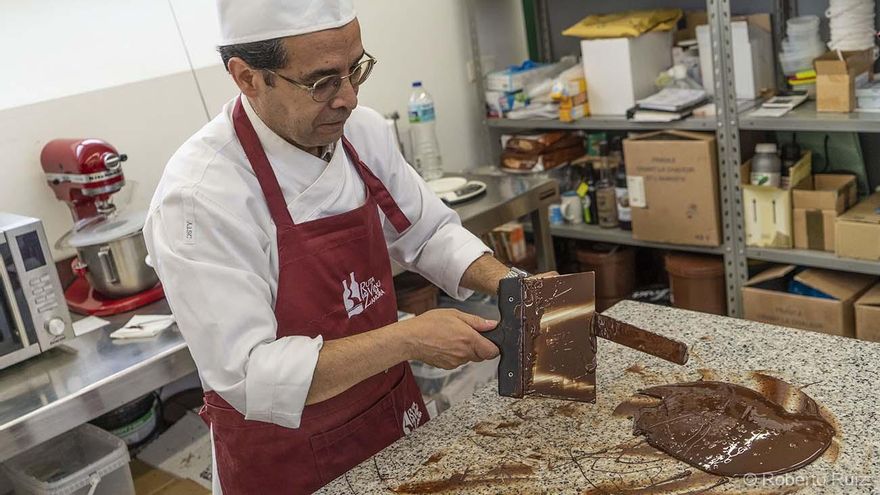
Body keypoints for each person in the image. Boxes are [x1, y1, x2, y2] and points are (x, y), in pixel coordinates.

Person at [144, 1, 528, 493]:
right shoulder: (200, 199)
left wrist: (513, 284)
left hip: (389, 417)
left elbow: (426, 231)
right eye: (322, 81)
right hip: (287, 459)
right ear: (247, 77)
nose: (347, 97)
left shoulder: (360, 132)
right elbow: (249, 376)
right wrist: (408, 339)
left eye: (356, 70)